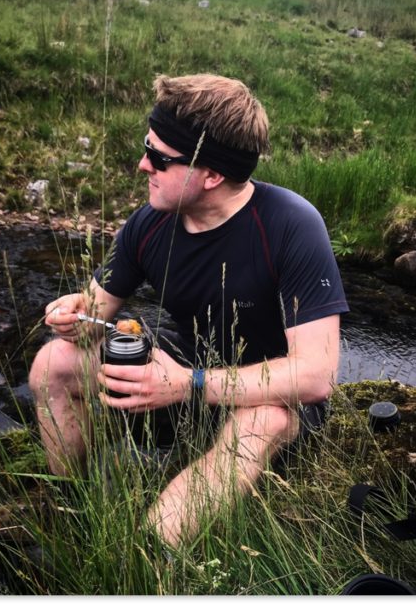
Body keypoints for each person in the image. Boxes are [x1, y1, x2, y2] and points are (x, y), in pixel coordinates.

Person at [28, 73, 348, 548]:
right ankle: (66, 505)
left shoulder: (291, 225)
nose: (142, 165)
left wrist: (187, 385)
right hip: (184, 372)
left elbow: (316, 376)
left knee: (263, 422)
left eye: (159, 157)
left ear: (212, 175)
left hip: (272, 399)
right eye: (146, 146)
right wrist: (72, 313)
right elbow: (94, 307)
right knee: (53, 363)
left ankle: (147, 556)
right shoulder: (150, 221)